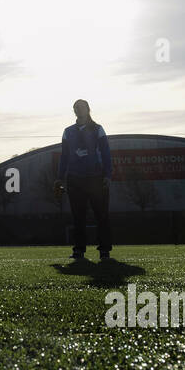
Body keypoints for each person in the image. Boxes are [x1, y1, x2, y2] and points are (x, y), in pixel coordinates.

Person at [53, 99, 113, 261]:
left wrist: (108, 175)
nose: (78, 110)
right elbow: (64, 156)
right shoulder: (68, 131)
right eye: (75, 108)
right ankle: (79, 250)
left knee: (101, 216)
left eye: (81, 107)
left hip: (95, 178)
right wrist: (59, 178)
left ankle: (104, 251)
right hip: (75, 178)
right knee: (78, 217)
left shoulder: (98, 129)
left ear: (88, 109)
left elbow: (106, 153)